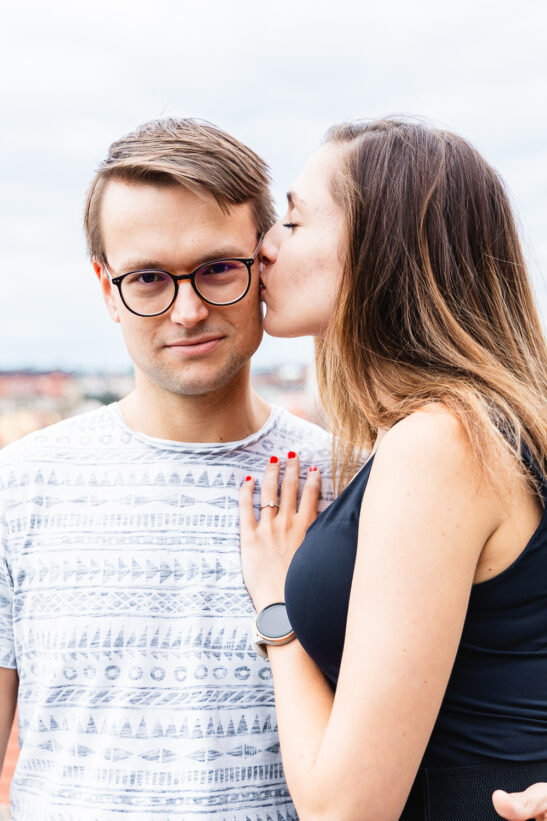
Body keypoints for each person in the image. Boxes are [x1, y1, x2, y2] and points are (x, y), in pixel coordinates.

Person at [0, 118, 333, 820]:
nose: (187, 311)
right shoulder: (19, 486)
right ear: (106, 286)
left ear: (264, 261)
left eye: (217, 269)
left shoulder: (352, 480)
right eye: (148, 278)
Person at [239, 119, 547, 820]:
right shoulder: (480, 425)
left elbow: (344, 808)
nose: (264, 246)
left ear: (380, 248)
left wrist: (276, 610)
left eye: (293, 220)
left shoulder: (442, 441)